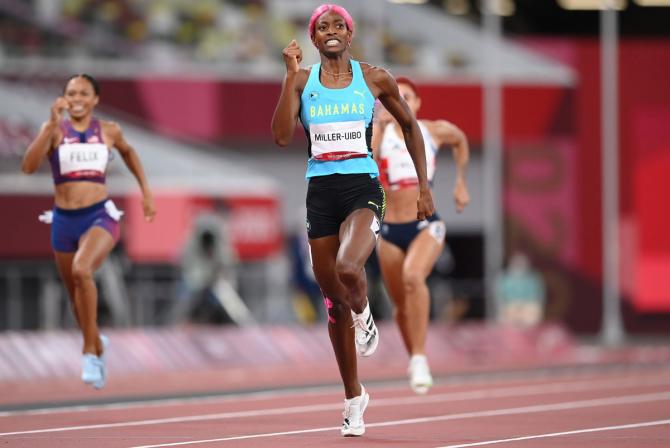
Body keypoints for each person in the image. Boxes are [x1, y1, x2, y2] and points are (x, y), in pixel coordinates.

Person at [271, 4, 434, 437]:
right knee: (332, 303)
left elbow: (410, 125)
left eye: (337, 25)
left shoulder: (375, 77)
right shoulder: (304, 81)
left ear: (349, 32)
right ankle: (353, 398)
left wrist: (424, 186)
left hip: (362, 187)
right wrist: (289, 75)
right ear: (312, 37)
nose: (330, 31)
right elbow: (282, 136)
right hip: (320, 193)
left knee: (348, 268)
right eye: (321, 27)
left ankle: (366, 314)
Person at [22, 74, 156, 389]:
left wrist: (146, 192)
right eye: (71, 93)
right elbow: (28, 167)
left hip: (99, 216)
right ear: (64, 99)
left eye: (83, 92)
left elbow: (129, 153)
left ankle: (89, 353)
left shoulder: (109, 130)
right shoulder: (53, 130)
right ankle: (96, 340)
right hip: (64, 220)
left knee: (83, 270)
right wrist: (50, 126)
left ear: (95, 99)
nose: (77, 98)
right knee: (75, 297)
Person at [372, 76, 470, 394]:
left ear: (417, 104)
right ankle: (413, 355)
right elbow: (370, 168)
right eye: (395, 97)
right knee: (399, 305)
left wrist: (460, 182)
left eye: (408, 97)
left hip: (426, 225)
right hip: (389, 230)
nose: (401, 102)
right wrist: (376, 124)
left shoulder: (431, 130)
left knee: (414, 276)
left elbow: (460, 140)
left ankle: (419, 356)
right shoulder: (381, 132)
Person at [495, 251, 546, 328]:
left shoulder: (534, 278)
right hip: (510, 307)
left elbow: (539, 297)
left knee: (531, 320)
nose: (519, 264)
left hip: (528, 308)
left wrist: (532, 308)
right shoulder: (503, 278)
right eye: (517, 261)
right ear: (511, 262)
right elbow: (499, 296)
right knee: (506, 321)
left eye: (522, 261)